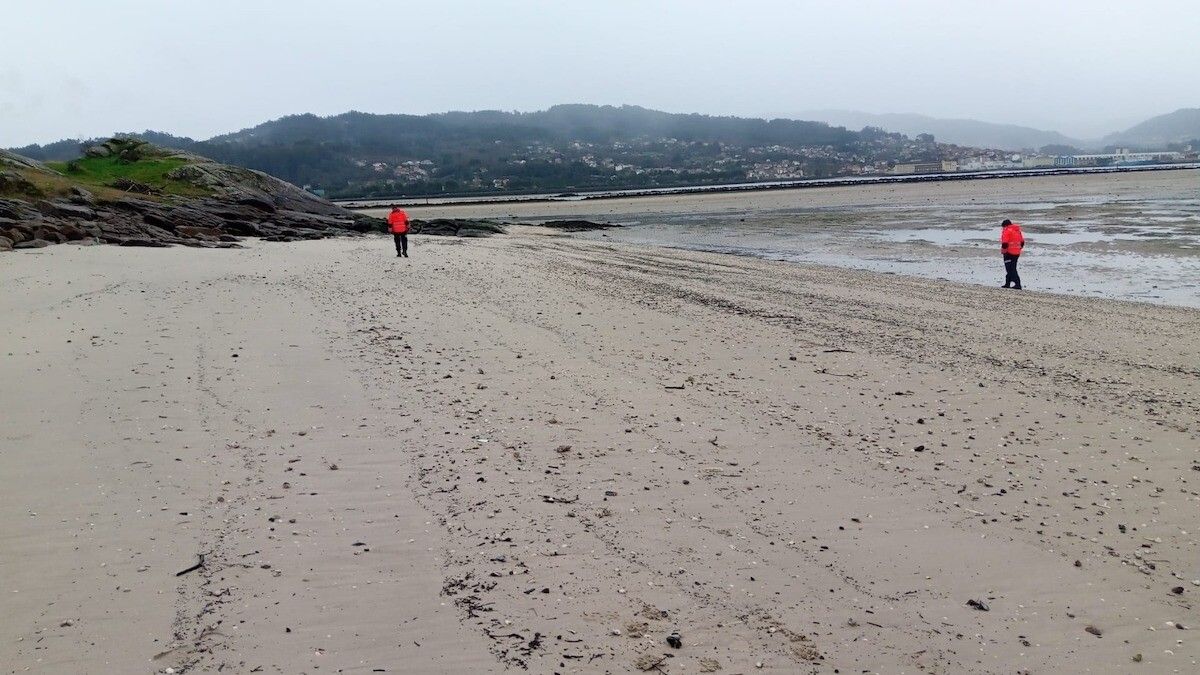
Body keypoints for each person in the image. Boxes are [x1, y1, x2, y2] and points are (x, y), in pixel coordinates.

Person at [1000, 218, 1024, 289]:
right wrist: (1018, 249)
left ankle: (1017, 284)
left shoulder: (1007, 231)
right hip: (1017, 253)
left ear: (1005, 225)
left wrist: (1004, 251)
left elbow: (1005, 243)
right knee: (1012, 268)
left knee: (1010, 269)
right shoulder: (1017, 231)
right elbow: (1022, 242)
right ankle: (1007, 283)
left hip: (1009, 253)